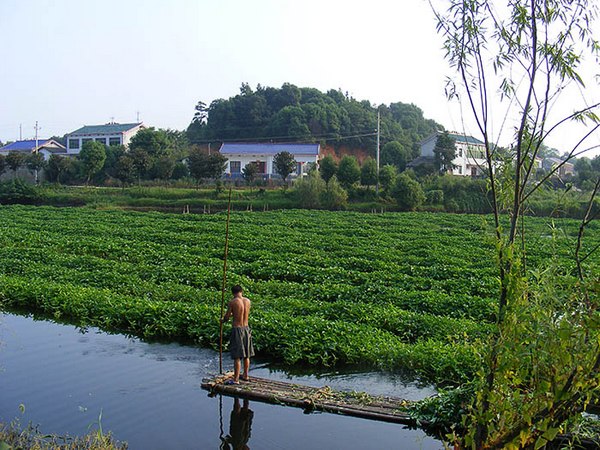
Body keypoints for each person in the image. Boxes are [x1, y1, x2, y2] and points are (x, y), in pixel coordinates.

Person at [221, 285, 255, 384]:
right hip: (246, 328)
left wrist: (223, 320)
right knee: (246, 355)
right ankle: (245, 375)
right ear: (241, 291)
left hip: (237, 329)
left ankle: (236, 379)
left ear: (233, 293)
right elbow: (243, 312)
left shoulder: (232, 302)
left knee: (237, 356)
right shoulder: (248, 301)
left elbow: (227, 317)